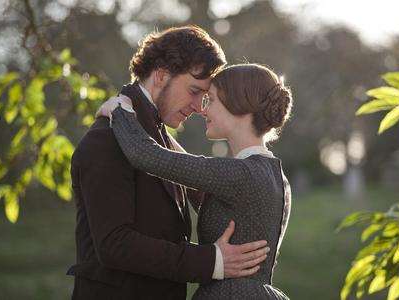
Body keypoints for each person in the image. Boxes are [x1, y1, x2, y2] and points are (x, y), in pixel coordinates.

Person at [68, 26, 269, 300]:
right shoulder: (107, 140)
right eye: (194, 91)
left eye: (205, 96)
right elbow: (115, 244)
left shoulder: (156, 138)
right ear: (162, 75)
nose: (199, 107)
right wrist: (212, 261)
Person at [97, 63, 293, 299]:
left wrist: (120, 110)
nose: (203, 110)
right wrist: (159, 130)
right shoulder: (271, 175)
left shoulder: (239, 174)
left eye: (210, 100)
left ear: (238, 106)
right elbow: (186, 168)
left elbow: (145, 156)